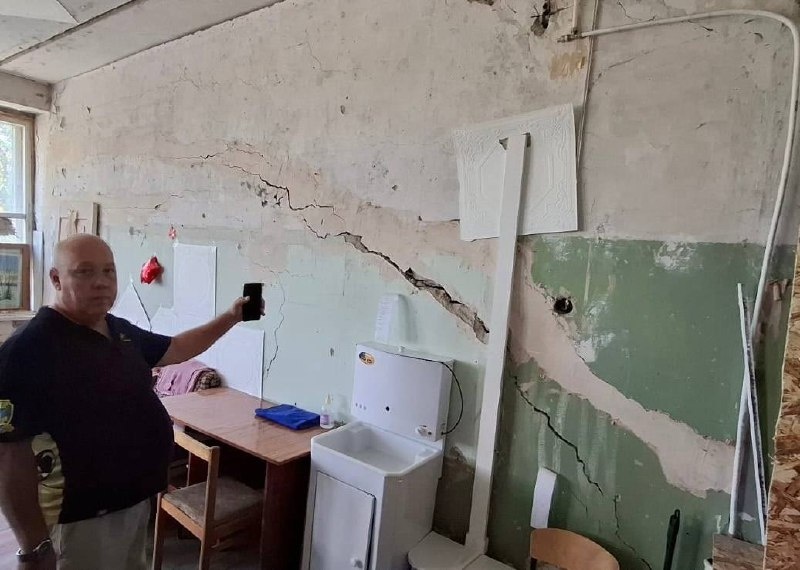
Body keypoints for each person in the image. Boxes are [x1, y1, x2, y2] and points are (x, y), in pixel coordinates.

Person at [0, 234, 262, 570]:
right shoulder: (26, 351)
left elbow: (177, 348)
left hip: (136, 503)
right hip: (81, 521)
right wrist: (33, 547)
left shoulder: (116, 329)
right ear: (56, 279)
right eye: (84, 272)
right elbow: (9, 457)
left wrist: (232, 316)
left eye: (108, 271)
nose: (101, 282)